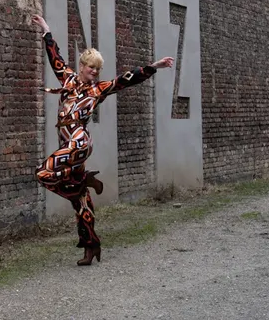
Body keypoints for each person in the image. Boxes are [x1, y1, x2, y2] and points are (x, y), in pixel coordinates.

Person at [31, 14, 174, 266]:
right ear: (82, 65)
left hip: (79, 143)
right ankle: (91, 246)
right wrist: (46, 31)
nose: (95, 72)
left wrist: (154, 66)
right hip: (66, 143)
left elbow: (126, 79)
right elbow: (56, 58)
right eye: (91, 67)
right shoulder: (68, 79)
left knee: (43, 174)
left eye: (98, 68)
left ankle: (81, 183)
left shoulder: (99, 90)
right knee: (81, 200)